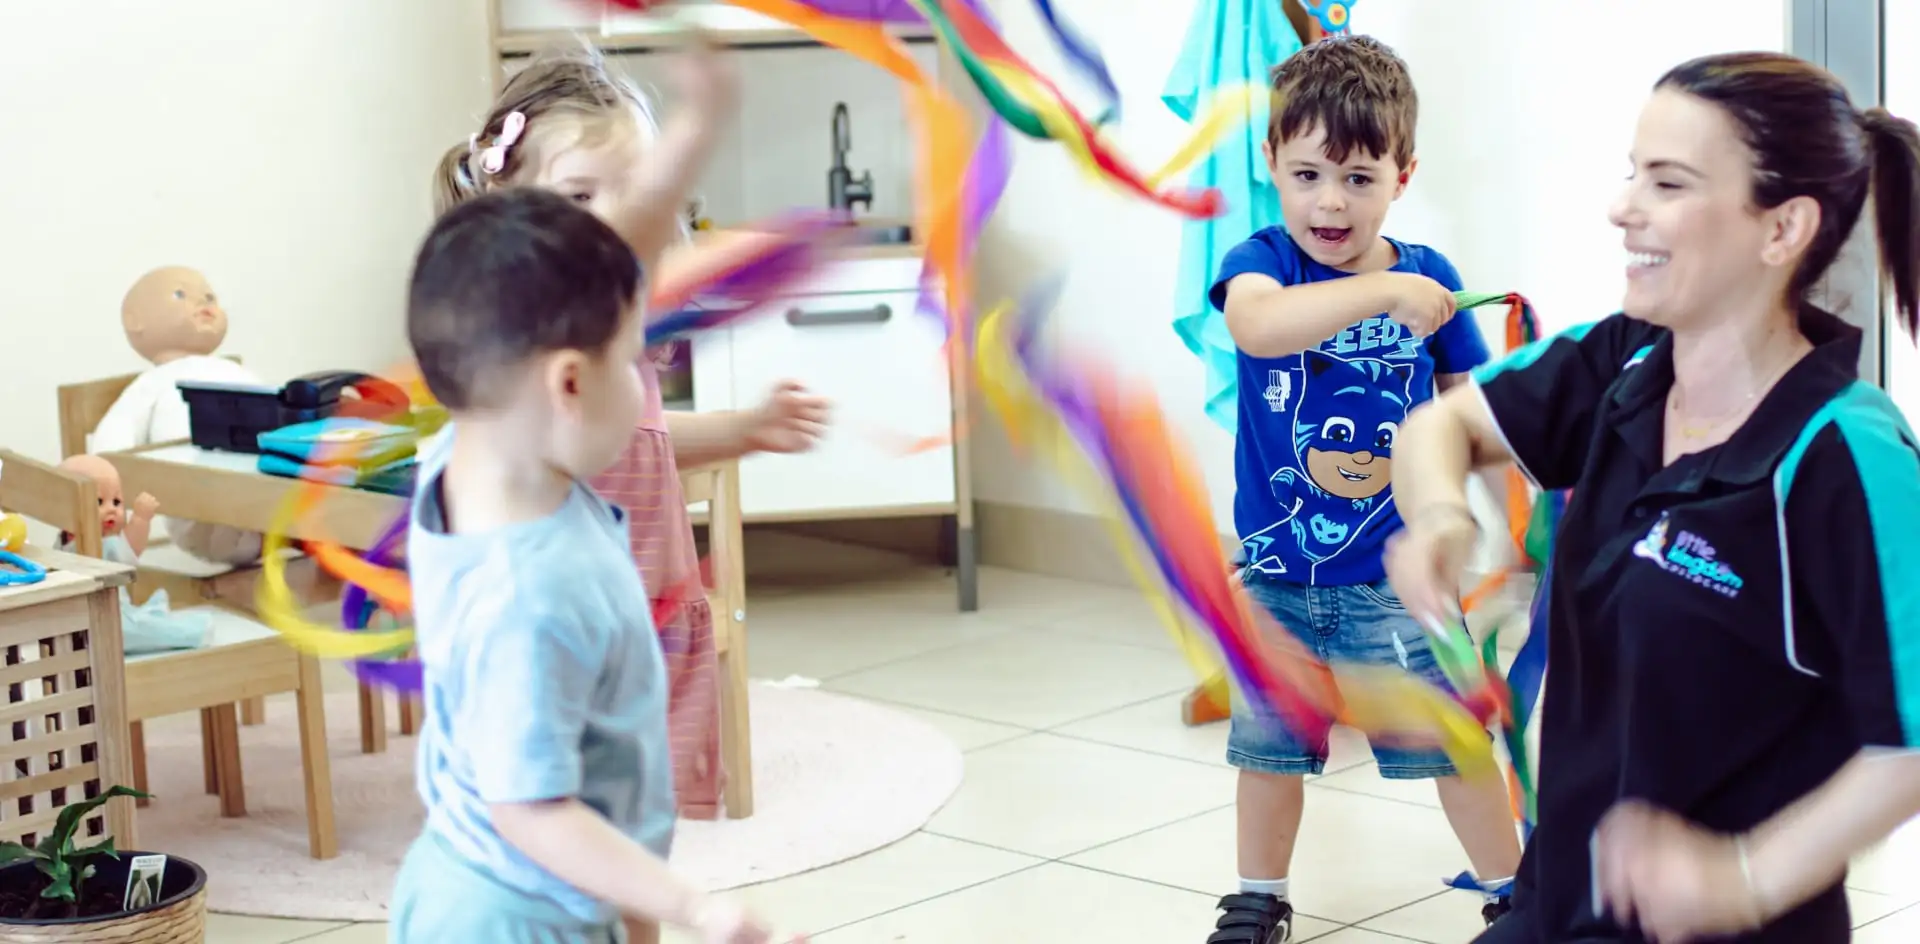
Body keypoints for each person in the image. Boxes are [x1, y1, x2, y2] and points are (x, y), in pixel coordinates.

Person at [1387, 50, 1920, 943]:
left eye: (1667, 183)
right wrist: (1443, 516)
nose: (1622, 207)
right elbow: (1442, 427)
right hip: (1559, 895)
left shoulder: (1849, 455)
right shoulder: (1628, 359)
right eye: (1633, 174)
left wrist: (1740, 882)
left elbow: (1909, 744)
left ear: (1782, 228)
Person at [433, 40, 829, 819]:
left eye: (633, 198)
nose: (608, 225)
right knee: (564, 843)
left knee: (642, 829)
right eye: (580, 197)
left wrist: (744, 429)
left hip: (650, 618)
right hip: (558, 637)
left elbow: (637, 443)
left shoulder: (618, 333)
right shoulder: (509, 329)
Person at [390, 187, 783, 944]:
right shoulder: (532, 596)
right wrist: (696, 907)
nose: (649, 387)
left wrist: (694, 135)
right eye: (638, 362)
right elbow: (531, 810)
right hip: (523, 915)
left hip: (473, 884)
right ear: (570, 383)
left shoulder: (464, 461)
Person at [1204, 34, 1524, 944]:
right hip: (1276, 574)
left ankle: (1513, 893)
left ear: (1402, 173)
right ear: (1271, 165)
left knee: (1456, 746)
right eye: (1306, 174)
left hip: (1397, 576)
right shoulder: (1262, 260)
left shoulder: (1436, 285)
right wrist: (1383, 291)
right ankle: (1256, 898)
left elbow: (1471, 419)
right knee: (1268, 753)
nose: (1328, 201)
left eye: (1356, 176)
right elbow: (1260, 328)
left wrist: (1490, 532)